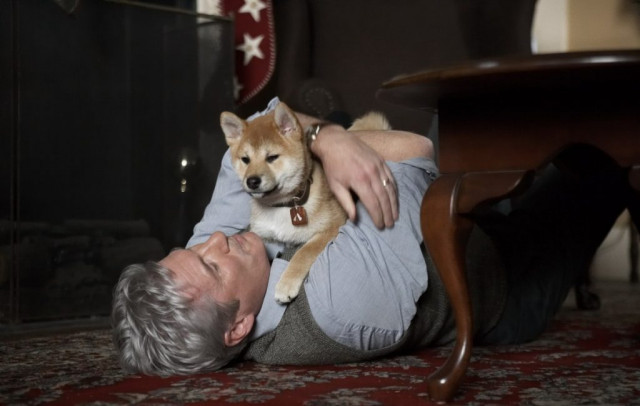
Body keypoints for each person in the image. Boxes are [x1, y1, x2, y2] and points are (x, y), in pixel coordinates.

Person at [112, 97, 631, 375]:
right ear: (239, 328)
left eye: (189, 248)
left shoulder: (221, 262)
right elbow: (414, 152)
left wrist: (321, 135)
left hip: (447, 221)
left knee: (487, 120)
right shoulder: (338, 305)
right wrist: (328, 139)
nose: (214, 241)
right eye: (210, 263)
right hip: (502, 277)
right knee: (607, 163)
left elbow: (255, 129)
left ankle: (335, 115)